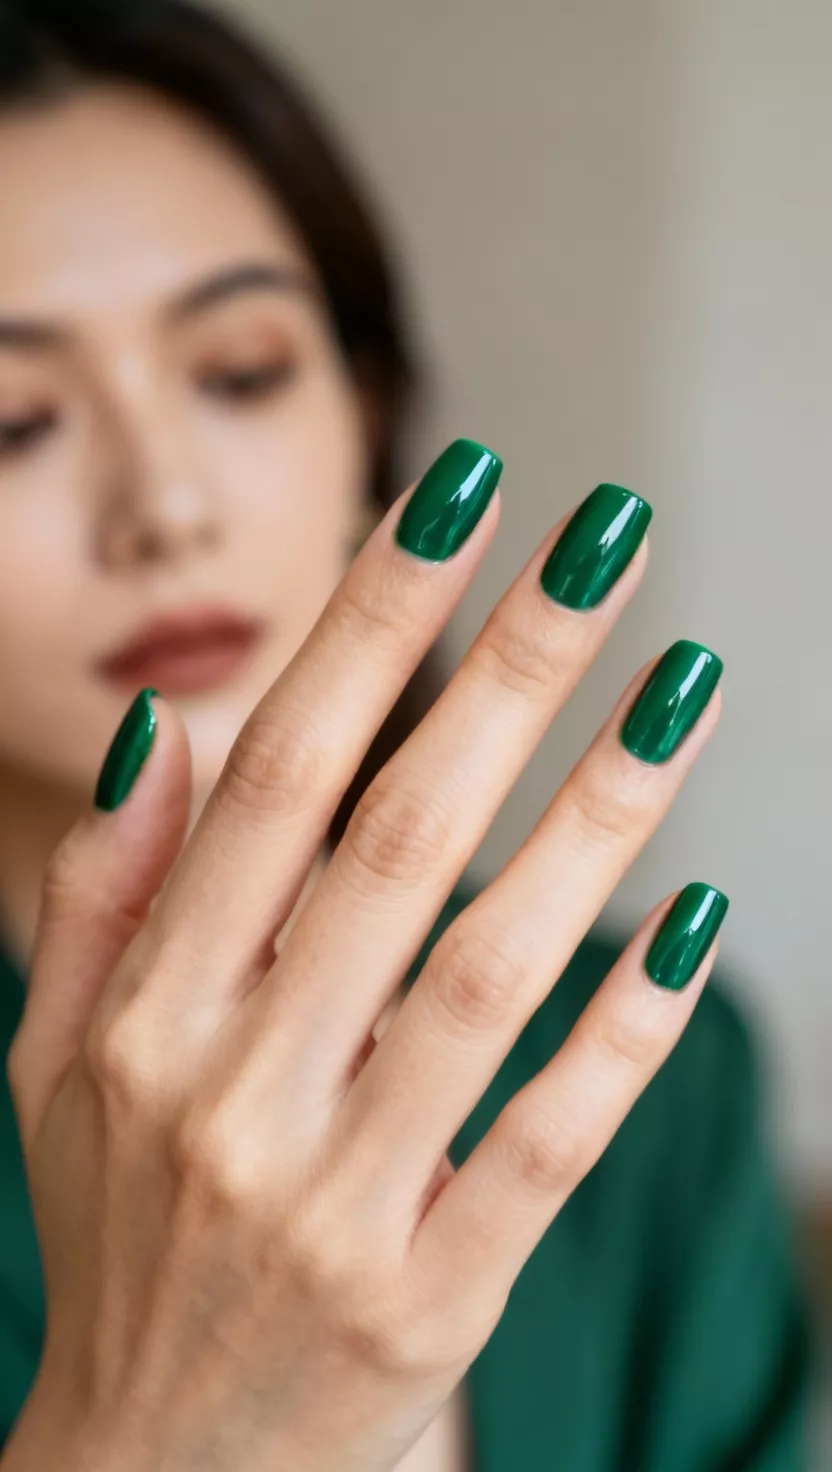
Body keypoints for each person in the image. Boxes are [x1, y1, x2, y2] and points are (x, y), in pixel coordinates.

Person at [0, 2, 810, 1468]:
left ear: (360, 417)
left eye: (241, 370)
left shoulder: (655, 1082)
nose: (166, 504)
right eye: (12, 423)